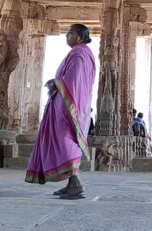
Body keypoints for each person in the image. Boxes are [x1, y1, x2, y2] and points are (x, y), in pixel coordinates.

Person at [25, 24, 97, 200]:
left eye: (70, 33)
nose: (67, 36)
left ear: (80, 37)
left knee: (65, 140)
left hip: (68, 105)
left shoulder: (80, 53)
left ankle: (76, 182)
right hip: (67, 103)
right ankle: (72, 183)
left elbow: (74, 79)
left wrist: (56, 83)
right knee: (65, 139)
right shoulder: (81, 52)